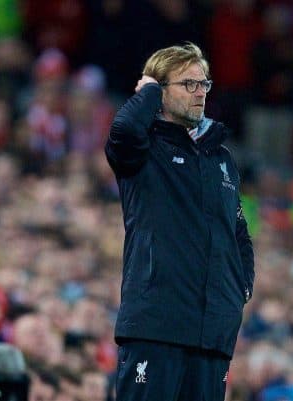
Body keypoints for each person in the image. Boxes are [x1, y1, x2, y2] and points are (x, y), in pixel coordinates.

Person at [104, 42, 255, 401]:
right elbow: (124, 131)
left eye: (204, 84)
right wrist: (148, 93)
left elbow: (238, 231)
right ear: (158, 91)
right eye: (188, 84)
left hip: (212, 334)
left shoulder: (221, 158)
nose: (200, 92)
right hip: (156, 326)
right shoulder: (144, 150)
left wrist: (240, 289)